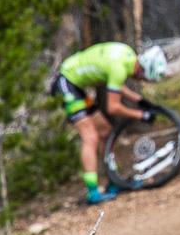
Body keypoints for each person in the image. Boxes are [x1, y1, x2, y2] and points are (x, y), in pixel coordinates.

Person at [50, 42, 168, 205]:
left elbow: (115, 84)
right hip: (66, 83)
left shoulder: (127, 55)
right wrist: (141, 114)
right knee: (90, 137)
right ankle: (92, 192)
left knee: (105, 131)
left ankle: (113, 181)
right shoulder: (119, 68)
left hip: (76, 86)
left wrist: (141, 101)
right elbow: (113, 107)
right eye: (144, 78)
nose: (141, 80)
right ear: (142, 70)